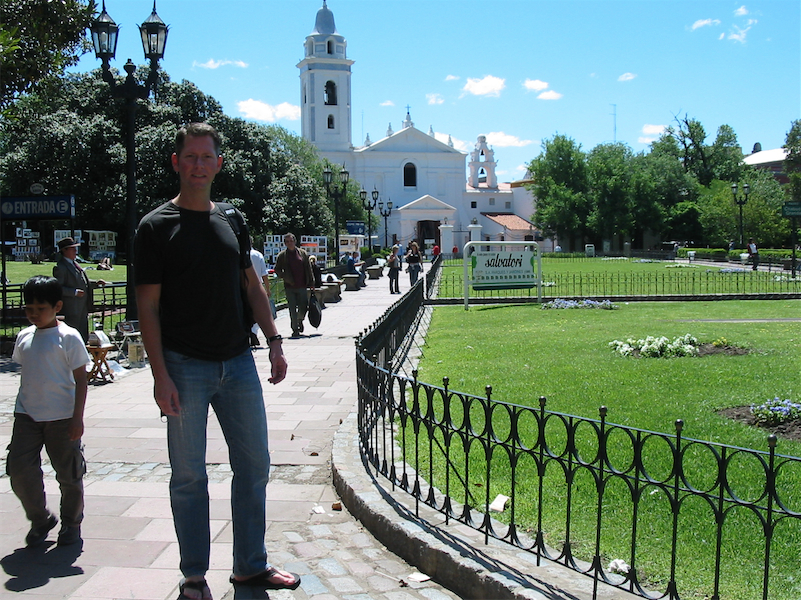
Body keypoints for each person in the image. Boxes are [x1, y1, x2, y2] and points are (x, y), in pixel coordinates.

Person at [134, 123, 298, 600]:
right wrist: (159, 374)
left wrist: (274, 339)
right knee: (189, 475)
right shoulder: (155, 227)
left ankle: (250, 566)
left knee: (255, 466)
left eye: (207, 157)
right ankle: (193, 578)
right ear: (176, 162)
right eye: (191, 157)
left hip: (238, 363)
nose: (199, 165)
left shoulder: (231, 219)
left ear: (219, 164)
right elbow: (146, 306)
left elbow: (253, 286)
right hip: (184, 365)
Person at [7, 275, 91, 548]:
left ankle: (71, 521)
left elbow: (81, 378)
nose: (34, 314)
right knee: (19, 469)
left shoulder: (69, 337)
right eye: (29, 309)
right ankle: (40, 518)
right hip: (27, 415)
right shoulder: (24, 337)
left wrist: (77, 417)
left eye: (40, 309)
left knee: (68, 475)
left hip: (62, 417)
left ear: (57, 306)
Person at [53, 237, 106, 342]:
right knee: (73, 334)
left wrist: (96, 283)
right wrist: (74, 292)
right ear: (64, 250)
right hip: (72, 307)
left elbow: (82, 282)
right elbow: (58, 287)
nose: (75, 251)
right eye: (72, 249)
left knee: (82, 332)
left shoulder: (75, 264)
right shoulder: (61, 267)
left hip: (82, 306)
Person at [274, 232, 315, 338]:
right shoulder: (282, 256)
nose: (289, 243)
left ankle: (299, 320)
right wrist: (284, 276)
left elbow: (308, 268)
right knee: (292, 309)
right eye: (287, 241)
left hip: (302, 285)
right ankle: (295, 329)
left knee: (303, 307)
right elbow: (277, 269)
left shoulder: (302, 253)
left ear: (295, 241)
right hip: (290, 286)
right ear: (285, 243)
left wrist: (311, 282)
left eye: (291, 241)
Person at [249, 242, 272, 347]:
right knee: (258, 311)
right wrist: (267, 289)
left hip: (242, 287)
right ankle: (254, 332)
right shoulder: (258, 255)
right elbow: (264, 274)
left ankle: (249, 333)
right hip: (257, 287)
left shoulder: (238, 253)